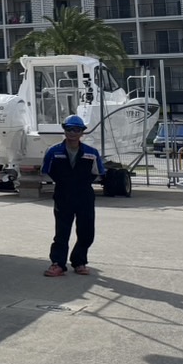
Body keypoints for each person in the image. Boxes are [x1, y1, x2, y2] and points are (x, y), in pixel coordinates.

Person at [41, 115, 104, 276]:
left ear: (82, 132)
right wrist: (65, 182)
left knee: (86, 232)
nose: (72, 133)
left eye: (76, 130)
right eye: (69, 129)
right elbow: (47, 170)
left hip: (85, 196)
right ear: (64, 130)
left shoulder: (91, 153)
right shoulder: (54, 151)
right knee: (62, 232)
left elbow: (97, 172)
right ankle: (58, 264)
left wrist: (80, 183)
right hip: (63, 195)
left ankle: (79, 261)